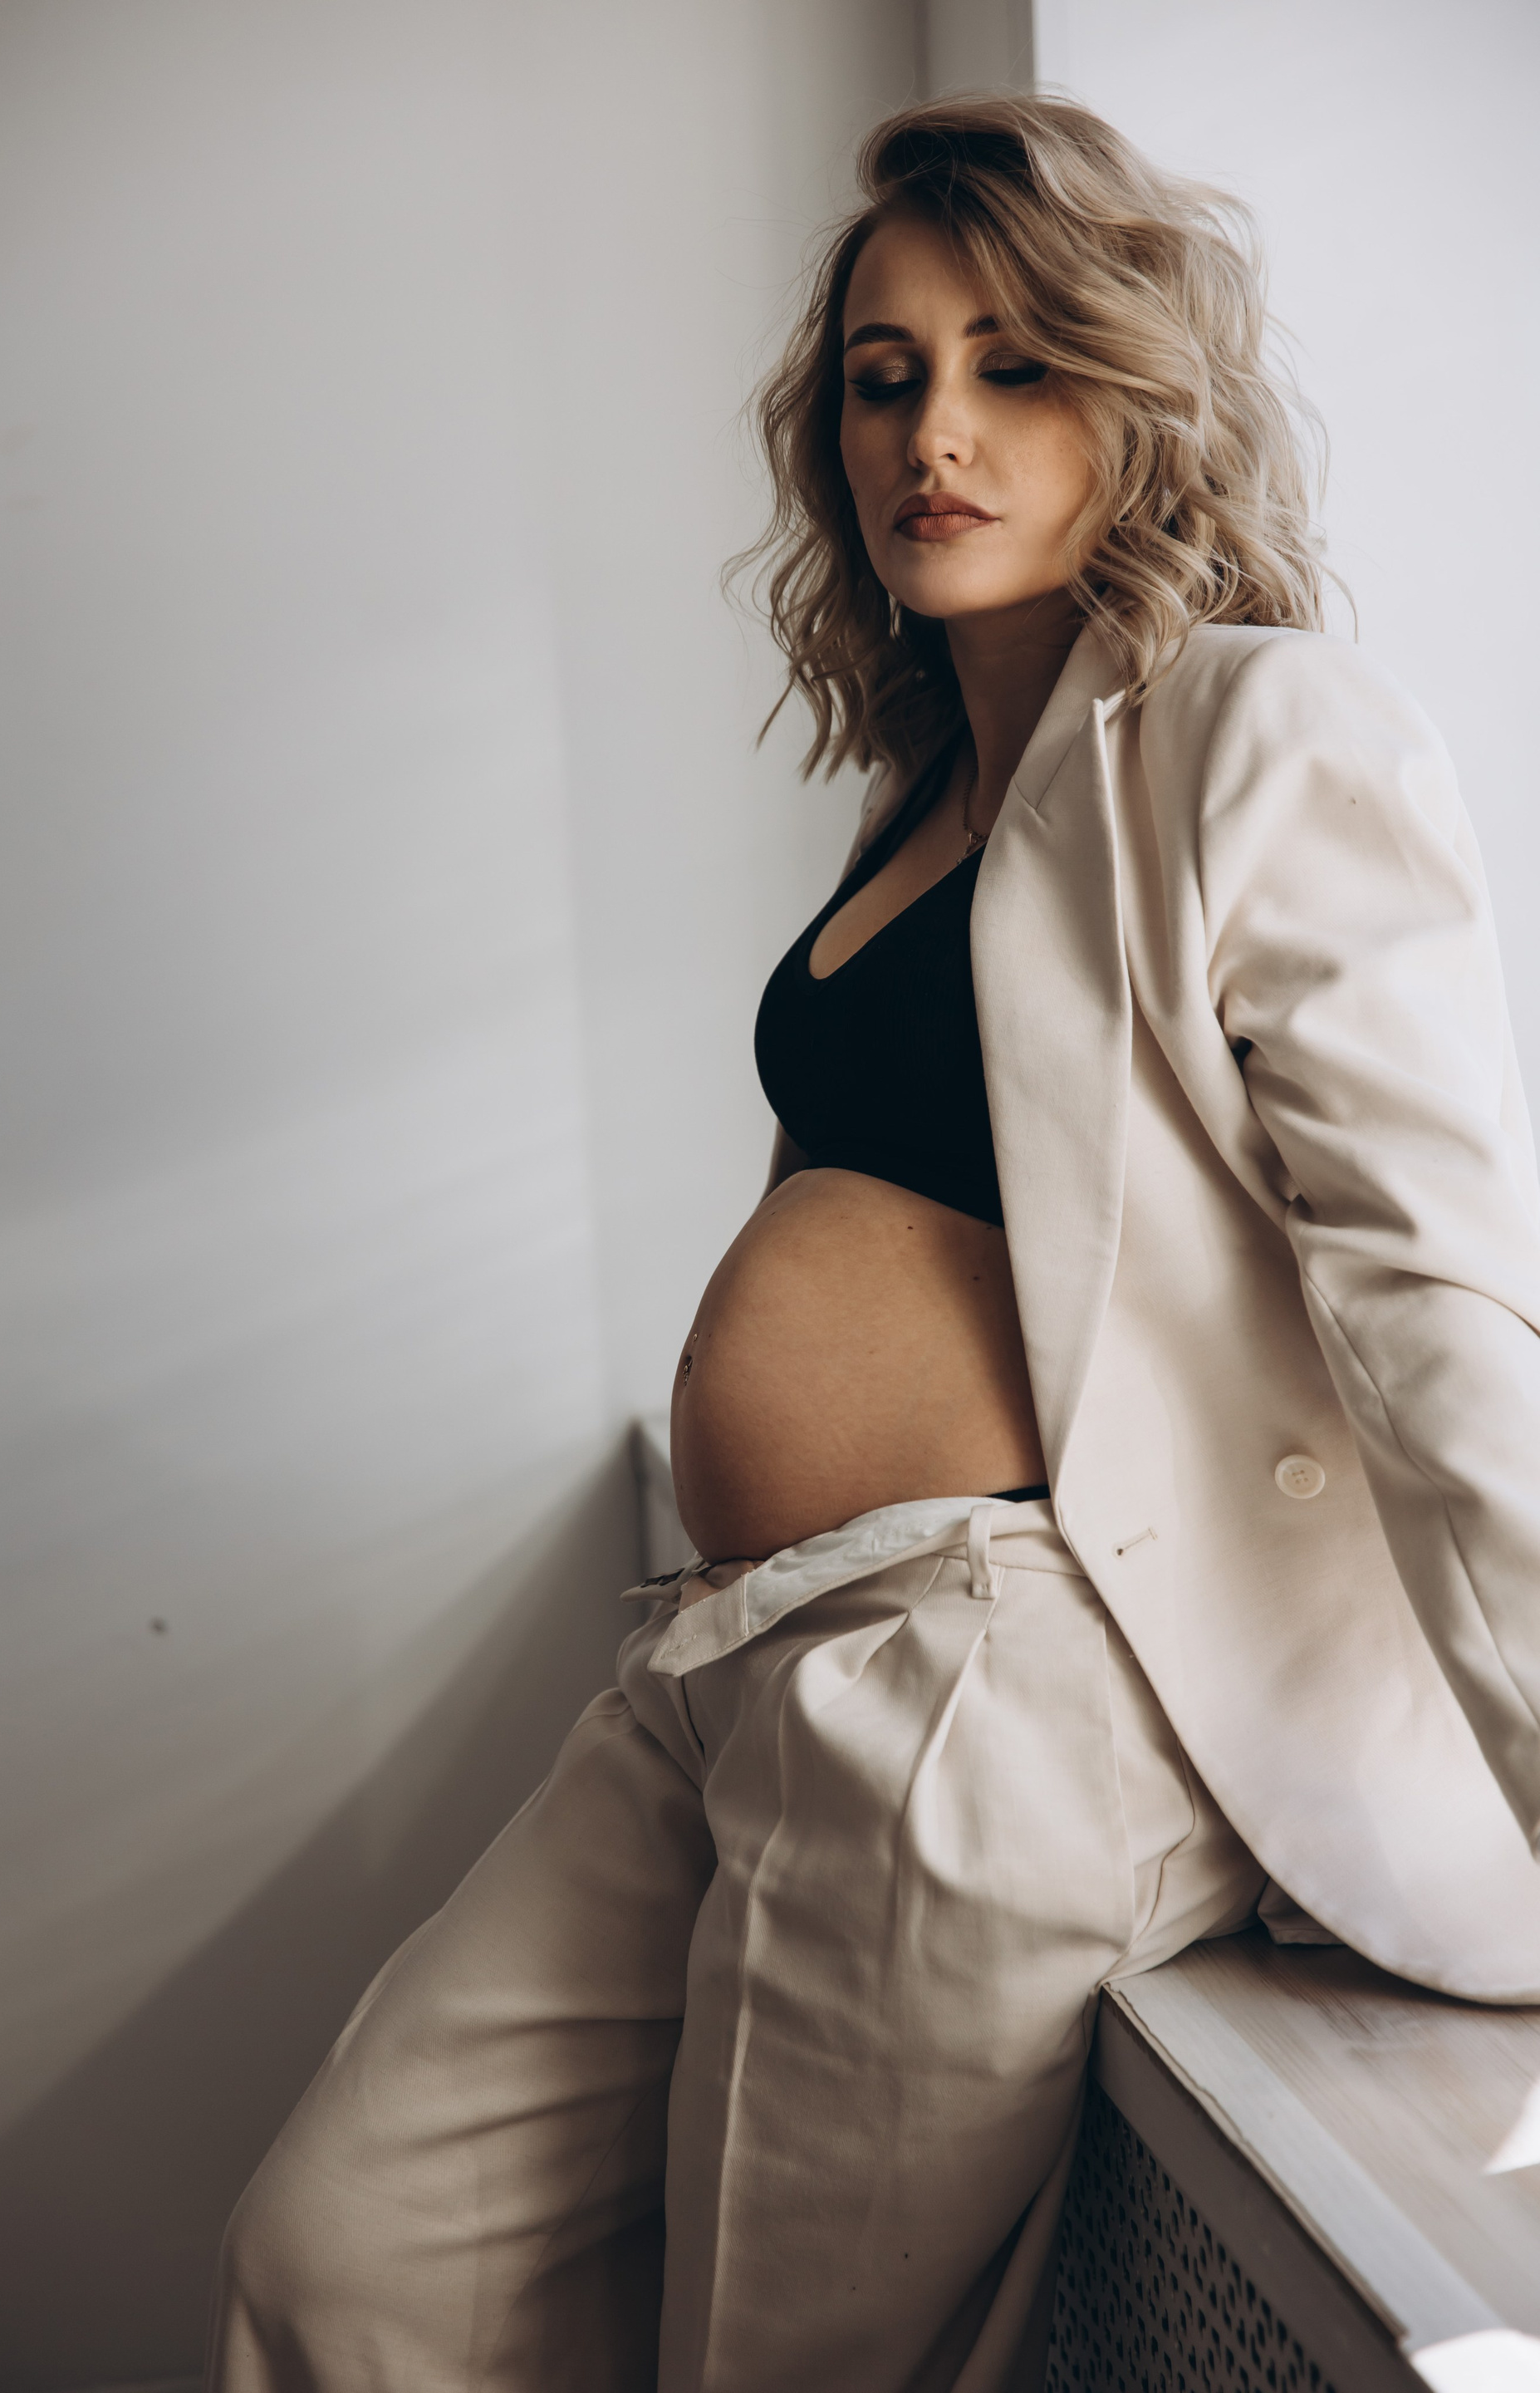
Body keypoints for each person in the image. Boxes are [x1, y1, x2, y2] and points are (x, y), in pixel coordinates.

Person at [208, 95, 1540, 2393]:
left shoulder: (1253, 731)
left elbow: (1442, 1307)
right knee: (349, 2246)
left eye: (1017, 365)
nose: (936, 429)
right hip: (742, 1652)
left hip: (991, 1681)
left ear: (1143, 401)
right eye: (885, 374)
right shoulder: (924, 785)